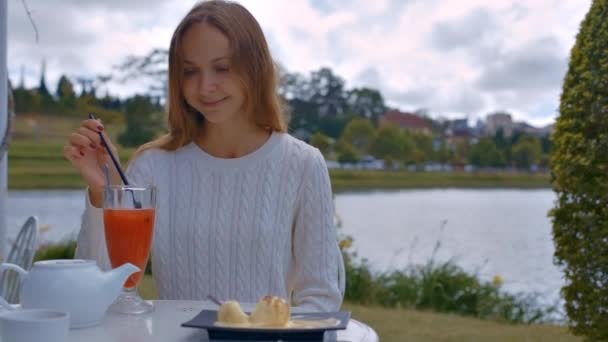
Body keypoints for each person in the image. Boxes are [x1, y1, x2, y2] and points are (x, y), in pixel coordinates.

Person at [62, 0, 344, 312]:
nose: (205, 86)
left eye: (222, 68)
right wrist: (105, 192)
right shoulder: (154, 166)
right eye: (190, 71)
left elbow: (321, 301)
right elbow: (99, 292)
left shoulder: (303, 165)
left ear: (256, 68)